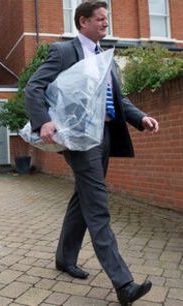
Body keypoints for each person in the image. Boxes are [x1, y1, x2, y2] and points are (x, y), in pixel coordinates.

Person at [25, 1, 159, 305]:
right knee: (98, 208)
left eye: (106, 19)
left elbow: (118, 99)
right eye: (100, 19)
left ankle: (64, 258)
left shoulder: (107, 59)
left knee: (82, 199)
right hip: (80, 141)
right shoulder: (62, 52)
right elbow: (33, 88)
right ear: (82, 21)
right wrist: (43, 121)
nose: (105, 23)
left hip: (106, 138)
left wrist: (141, 118)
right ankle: (123, 284)